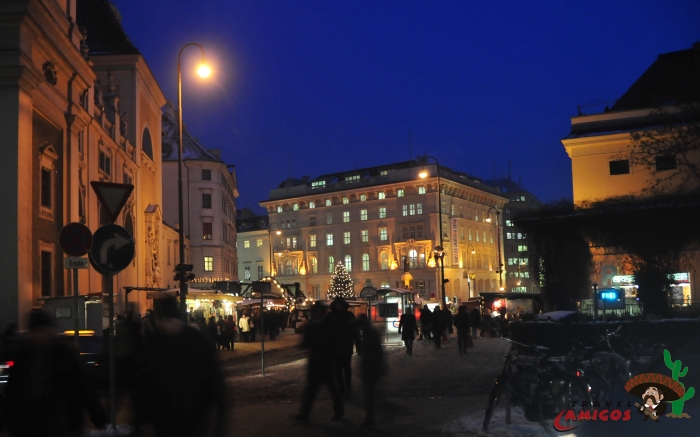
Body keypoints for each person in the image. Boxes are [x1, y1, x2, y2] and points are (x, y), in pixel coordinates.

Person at [1, 311, 108, 437]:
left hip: (54, 420)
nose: (41, 335)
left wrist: (97, 415)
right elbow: (13, 390)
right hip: (40, 420)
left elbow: (81, 386)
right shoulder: (26, 353)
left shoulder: (61, 353)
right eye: (38, 331)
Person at [132, 296, 227, 437]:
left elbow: (142, 383)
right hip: (196, 416)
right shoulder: (198, 339)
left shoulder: (154, 343)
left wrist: (140, 421)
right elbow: (216, 380)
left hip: (164, 417)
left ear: (160, 317)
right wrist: (220, 421)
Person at [294, 301, 344, 422]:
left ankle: (306, 414)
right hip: (319, 360)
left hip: (324, 360)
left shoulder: (323, 324)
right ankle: (305, 413)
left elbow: (331, 342)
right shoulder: (321, 324)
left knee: (325, 387)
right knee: (319, 388)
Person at [326, 297, 359, 398]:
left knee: (346, 368)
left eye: (340, 304)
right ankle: (342, 389)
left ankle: (347, 387)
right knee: (338, 370)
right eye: (337, 304)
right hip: (335, 348)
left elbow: (355, 331)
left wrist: (358, 345)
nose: (339, 306)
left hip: (345, 346)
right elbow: (325, 332)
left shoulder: (347, 315)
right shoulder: (332, 316)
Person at [357, 314, 385, 427]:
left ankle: (370, 418)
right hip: (371, 367)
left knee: (369, 395)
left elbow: (375, 352)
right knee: (370, 394)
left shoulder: (369, 334)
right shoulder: (370, 333)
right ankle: (370, 417)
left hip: (370, 368)